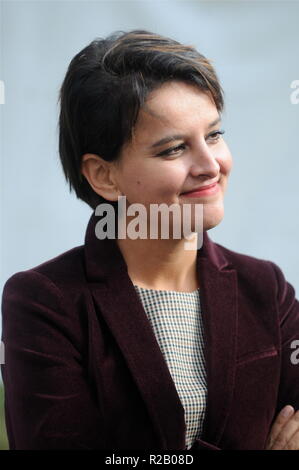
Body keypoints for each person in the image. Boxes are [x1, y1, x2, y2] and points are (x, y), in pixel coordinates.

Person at [1, 29, 299, 451]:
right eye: (174, 149)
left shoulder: (265, 288)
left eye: (214, 135)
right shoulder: (45, 303)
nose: (210, 165)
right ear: (104, 175)